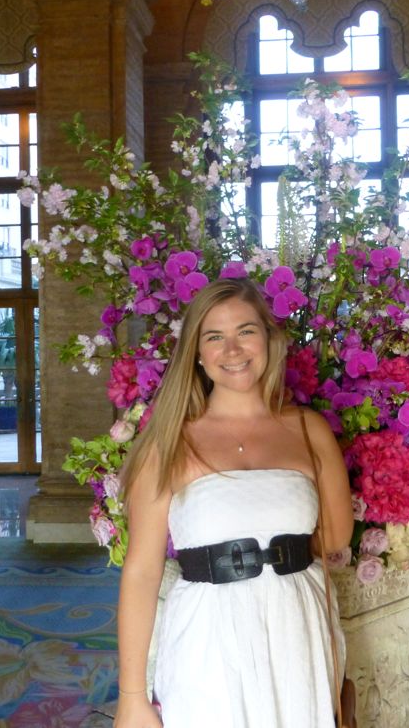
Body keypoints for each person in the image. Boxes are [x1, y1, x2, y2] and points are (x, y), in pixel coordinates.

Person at [114, 277, 354, 728]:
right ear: (197, 354)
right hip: (207, 637)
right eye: (214, 337)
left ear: (268, 338)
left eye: (245, 330)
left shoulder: (309, 429)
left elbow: (337, 536)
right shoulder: (167, 441)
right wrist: (131, 697)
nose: (233, 349)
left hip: (296, 630)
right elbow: (142, 571)